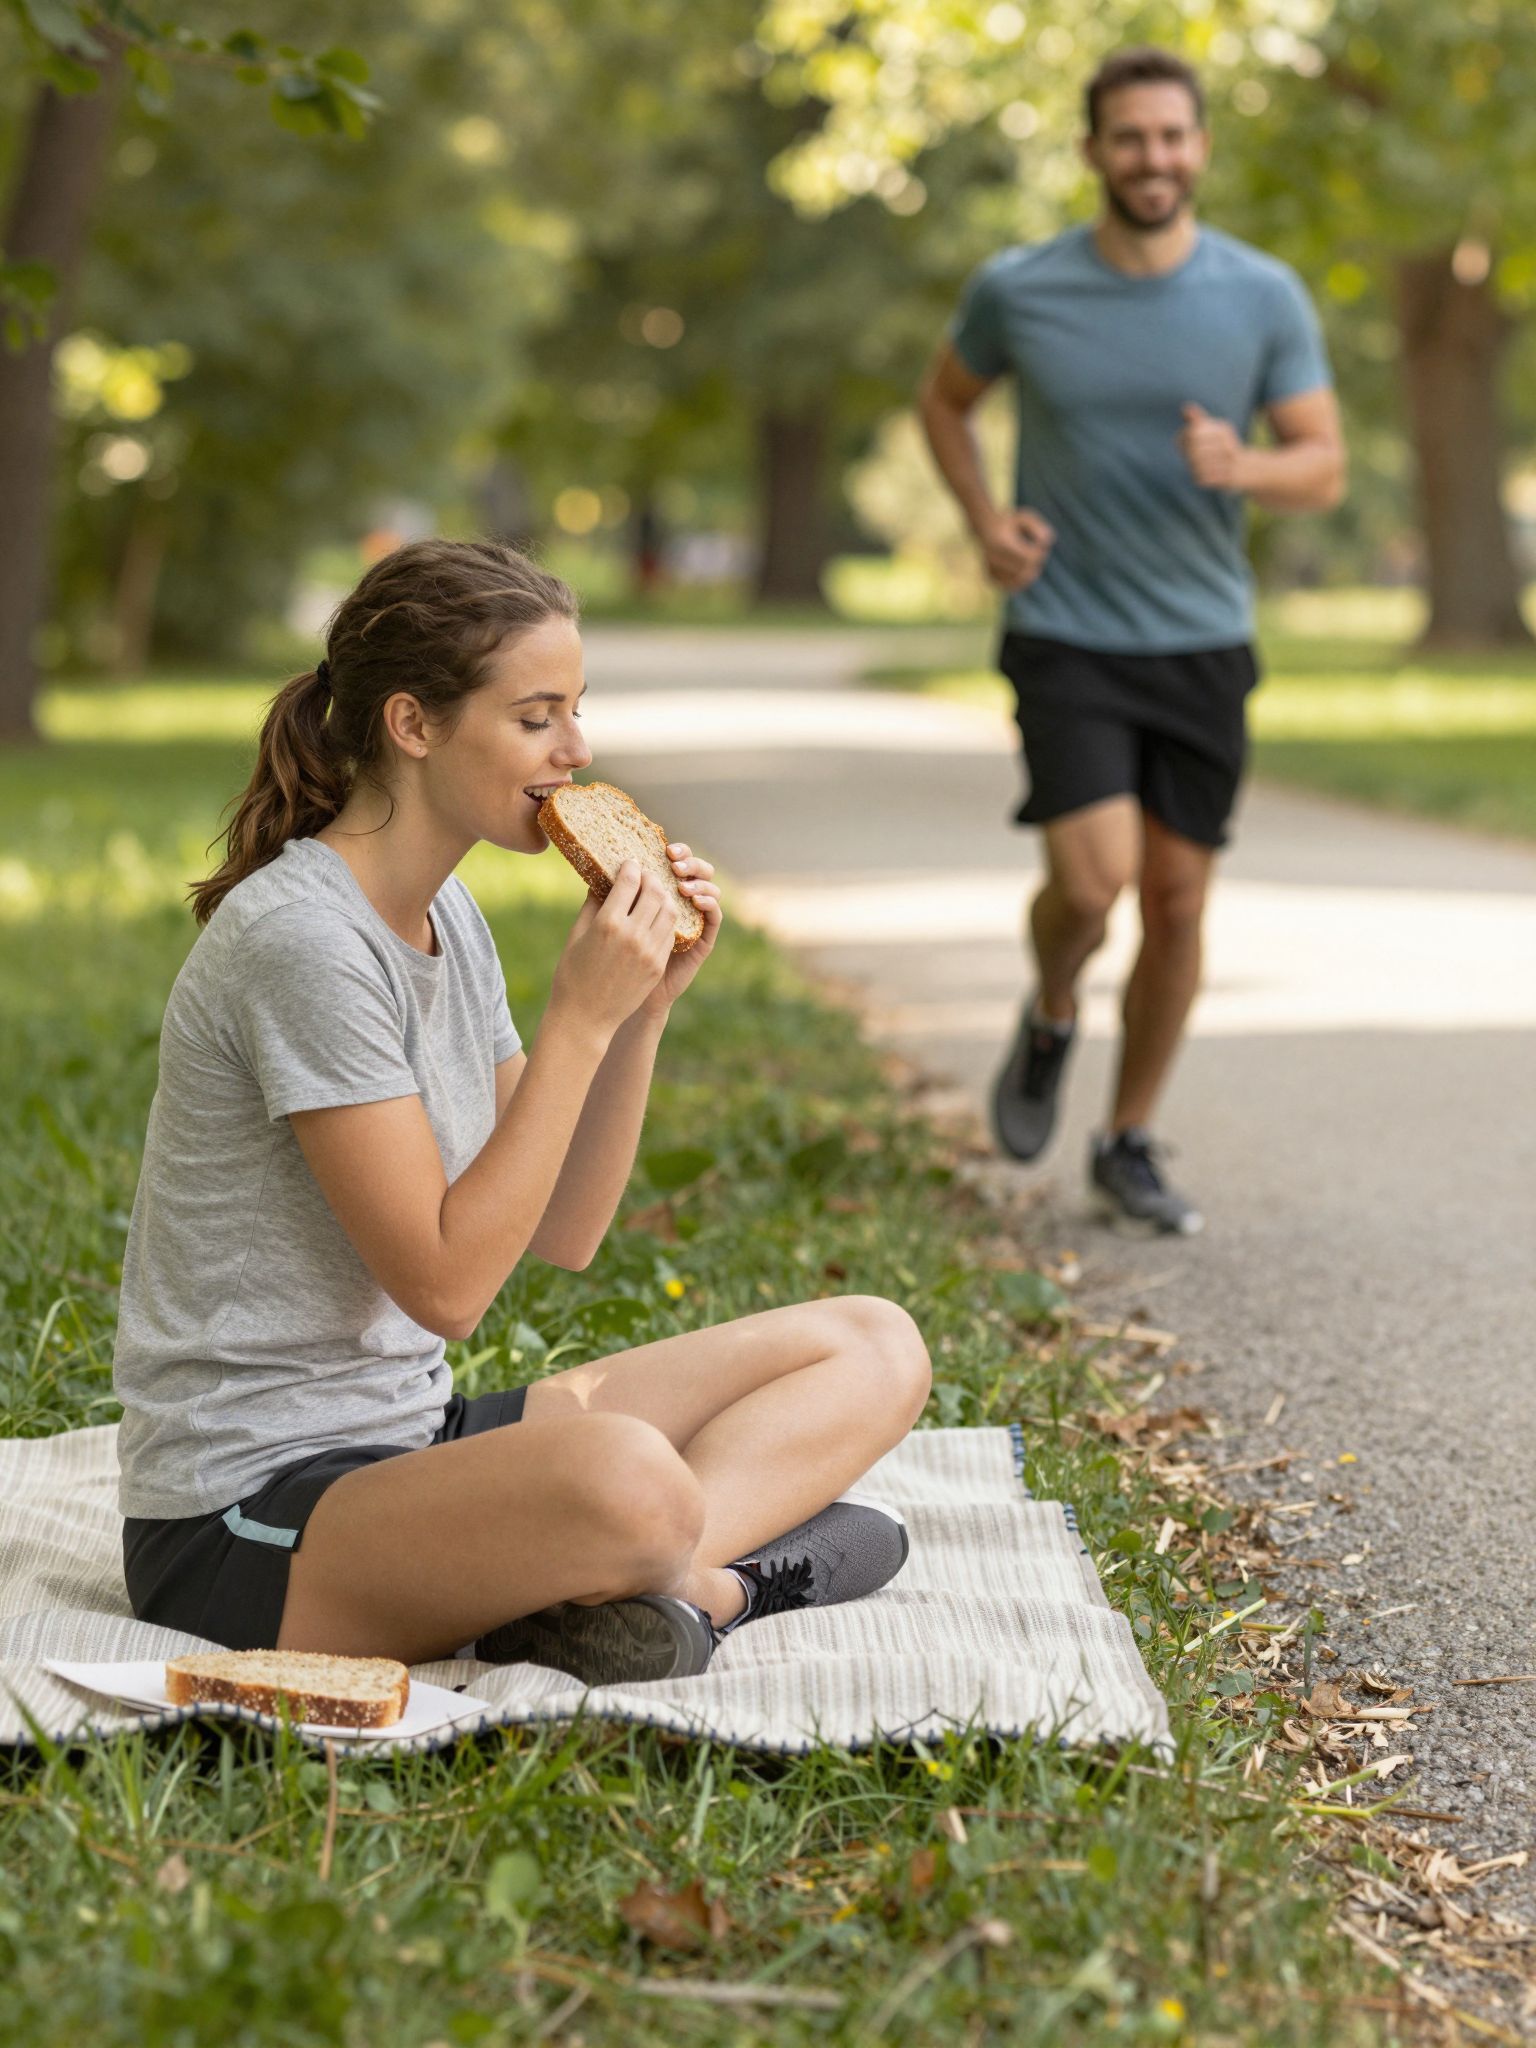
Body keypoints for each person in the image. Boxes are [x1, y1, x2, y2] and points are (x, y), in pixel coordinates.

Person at [113, 539, 930, 1686]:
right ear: (414, 724)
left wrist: (637, 1015)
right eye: (537, 715)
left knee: (873, 1341)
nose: (578, 751)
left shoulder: (452, 916)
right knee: (627, 1477)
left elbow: (566, 1229)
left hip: (410, 1439)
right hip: (245, 1510)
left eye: (576, 710)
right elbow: (447, 1287)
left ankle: (635, 1579)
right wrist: (576, 1025)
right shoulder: (302, 941)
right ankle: (716, 1584)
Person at [920, 47, 1344, 1234]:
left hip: (1205, 638)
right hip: (1067, 628)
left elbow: (1324, 462)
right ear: (1092, 149)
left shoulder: (1262, 295)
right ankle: (1054, 1004)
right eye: (1129, 137)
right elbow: (943, 401)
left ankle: (1126, 1136)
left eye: (1172, 135)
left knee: (1178, 898)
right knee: (1093, 880)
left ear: (1200, 146)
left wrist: (1245, 464)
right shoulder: (1022, 287)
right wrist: (983, 520)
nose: (1153, 157)